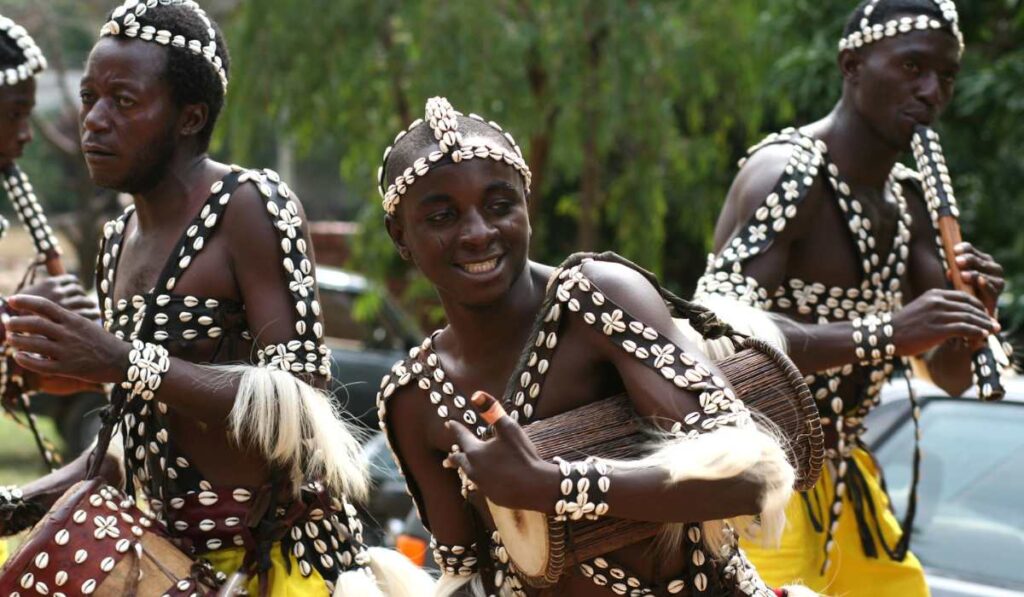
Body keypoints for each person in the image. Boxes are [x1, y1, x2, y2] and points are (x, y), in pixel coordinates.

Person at [0, 1, 430, 594]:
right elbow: (132, 440)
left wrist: (121, 360)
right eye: (89, 98)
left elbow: (301, 398)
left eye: (123, 102)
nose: (94, 121)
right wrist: (17, 503)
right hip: (168, 563)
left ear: (189, 117)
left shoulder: (250, 204)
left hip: (282, 563)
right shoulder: (115, 240)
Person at [377, 96, 813, 597]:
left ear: (526, 204)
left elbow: (751, 479)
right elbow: (469, 578)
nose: (477, 233)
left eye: (499, 206)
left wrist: (551, 486)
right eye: (442, 217)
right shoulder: (413, 397)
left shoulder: (597, 299)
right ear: (400, 235)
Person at [692, 1, 1005, 594]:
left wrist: (972, 321)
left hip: (847, 482)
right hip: (755, 478)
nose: (932, 91)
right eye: (913, 67)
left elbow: (951, 378)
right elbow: (715, 341)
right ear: (852, 64)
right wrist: (886, 334)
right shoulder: (787, 173)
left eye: (946, 77)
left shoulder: (909, 202)